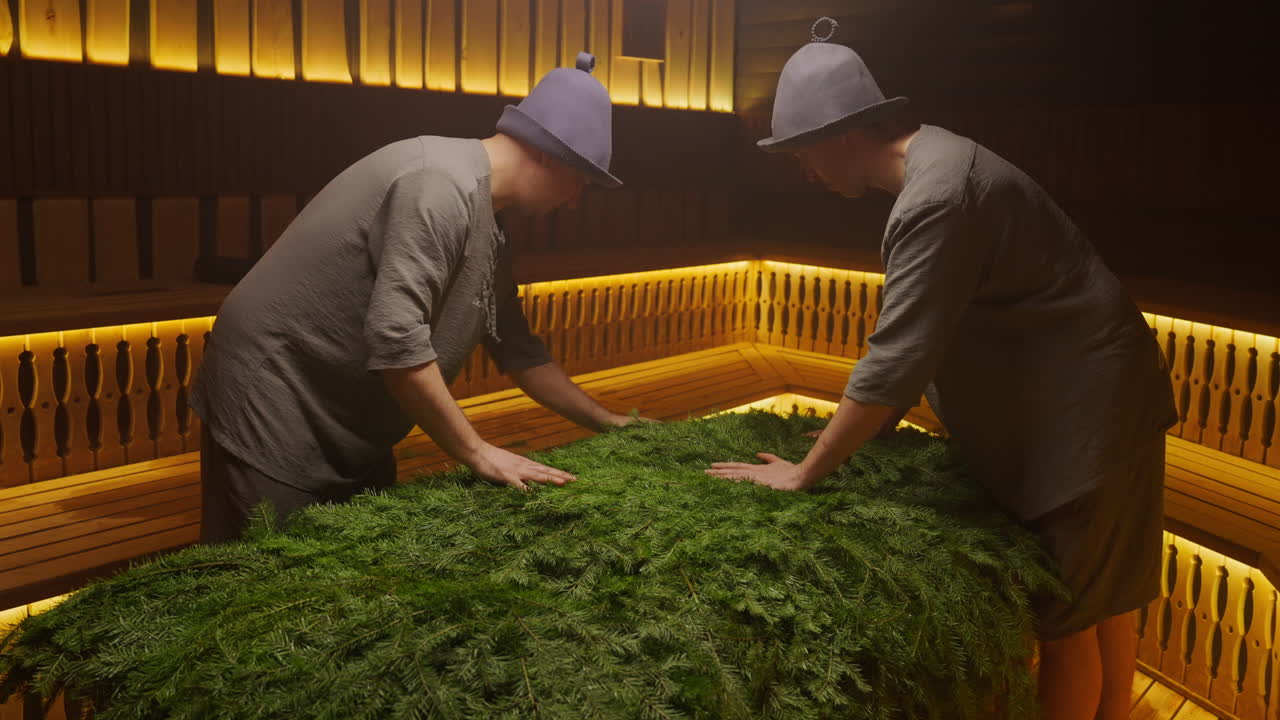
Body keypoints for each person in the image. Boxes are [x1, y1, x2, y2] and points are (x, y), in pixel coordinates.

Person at [705, 19, 1177, 720]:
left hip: (1087, 421)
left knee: (1070, 620)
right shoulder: (940, 164)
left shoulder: (938, 195)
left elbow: (896, 359)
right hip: (1106, 402)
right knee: (1105, 605)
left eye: (803, 152)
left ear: (842, 135)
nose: (803, 170)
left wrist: (806, 472)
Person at [192, 53, 648, 544]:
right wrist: (477, 451)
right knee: (264, 579)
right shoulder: (439, 184)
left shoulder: (490, 215)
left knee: (350, 567)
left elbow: (516, 346)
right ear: (547, 154)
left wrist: (606, 420)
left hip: (350, 419)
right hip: (275, 397)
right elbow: (396, 343)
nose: (575, 200)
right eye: (579, 180)